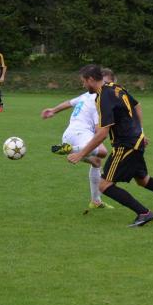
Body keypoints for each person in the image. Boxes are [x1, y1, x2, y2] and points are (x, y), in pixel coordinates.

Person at [68, 64, 153, 227]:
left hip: (125, 145)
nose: (83, 85)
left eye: (84, 82)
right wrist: (140, 131)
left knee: (104, 185)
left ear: (91, 80)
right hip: (136, 141)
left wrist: (81, 153)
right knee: (143, 180)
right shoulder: (116, 87)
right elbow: (137, 105)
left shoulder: (103, 97)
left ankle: (144, 213)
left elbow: (102, 134)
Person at [42, 68, 117, 212]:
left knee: (96, 162)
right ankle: (70, 149)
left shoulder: (86, 95)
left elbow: (69, 103)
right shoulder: (99, 100)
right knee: (102, 151)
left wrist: (53, 110)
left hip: (68, 134)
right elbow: (98, 129)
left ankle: (95, 201)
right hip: (80, 135)